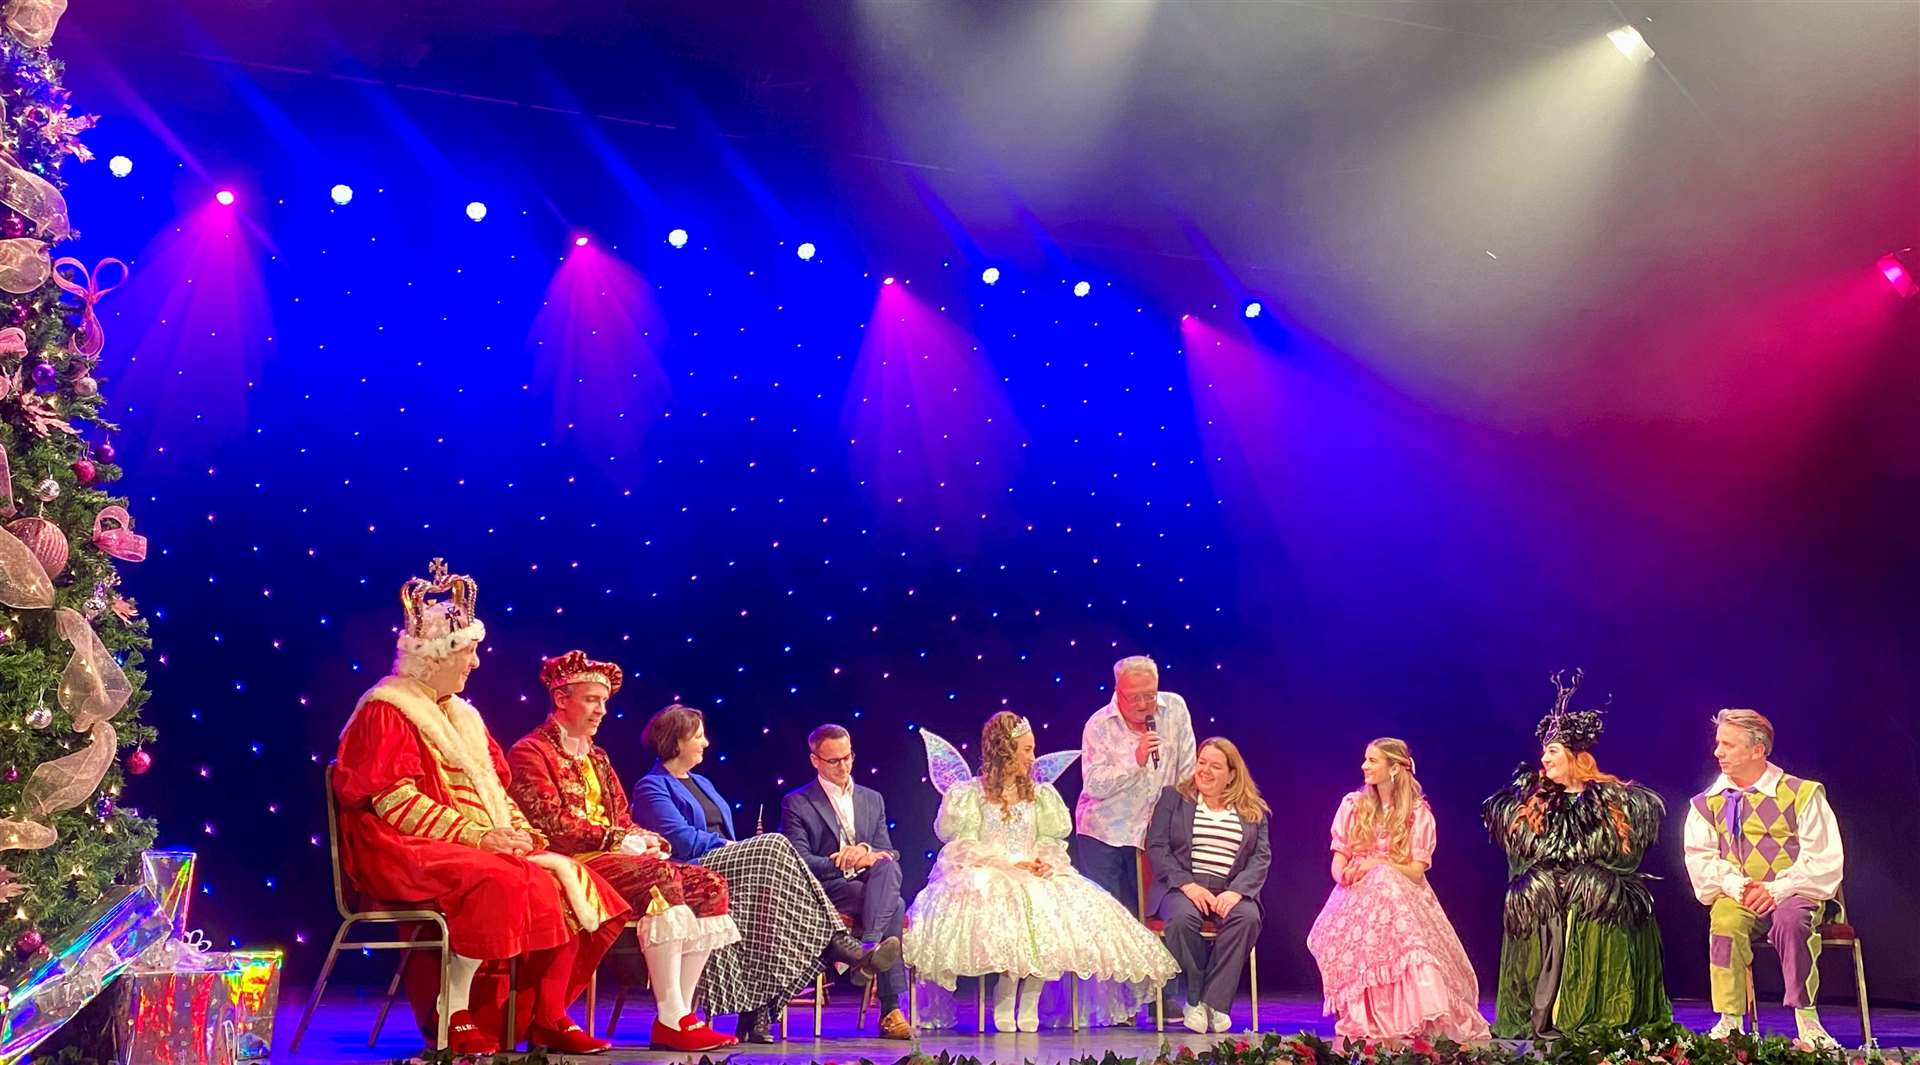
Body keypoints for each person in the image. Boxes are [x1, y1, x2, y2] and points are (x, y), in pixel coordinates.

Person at [331, 560, 627, 1055]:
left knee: (568, 878)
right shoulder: (387, 708)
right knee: (500, 877)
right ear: (435, 657)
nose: (476, 663)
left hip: (463, 840)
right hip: (401, 845)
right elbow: (393, 799)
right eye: (468, 652)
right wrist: (479, 837)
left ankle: (545, 1015)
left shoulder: (464, 714)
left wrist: (521, 833)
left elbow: (497, 792)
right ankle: (455, 1008)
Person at [506, 651, 742, 1052]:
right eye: (591, 700)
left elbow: (622, 817)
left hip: (608, 858)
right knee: (663, 879)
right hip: (566, 862)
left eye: (604, 702)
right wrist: (616, 840)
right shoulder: (531, 752)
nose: (601, 710)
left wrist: (648, 839)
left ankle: (683, 1014)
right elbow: (552, 825)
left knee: (708, 883)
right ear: (562, 699)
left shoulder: (597, 757)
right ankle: (670, 1015)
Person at [630, 703, 903, 1043]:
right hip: (692, 869)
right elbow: (681, 840)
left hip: (729, 869)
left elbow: (887, 848)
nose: (706, 743)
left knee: (780, 908)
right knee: (775, 844)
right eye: (698, 736)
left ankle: (839, 962)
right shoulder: (652, 786)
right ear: (675, 742)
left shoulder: (702, 782)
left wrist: (864, 854)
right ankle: (843, 947)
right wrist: (732, 847)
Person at [904, 712, 1178, 1032]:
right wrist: (1005, 863)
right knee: (1009, 908)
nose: (1033, 757)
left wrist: (1045, 859)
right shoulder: (971, 795)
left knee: (1055, 911)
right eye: (1026, 749)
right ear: (1005, 751)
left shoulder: (1041, 794)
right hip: (990, 869)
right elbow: (962, 843)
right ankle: (1006, 991)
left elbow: (1050, 838)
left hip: (1033, 869)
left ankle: (1031, 993)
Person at [1482, 670, 1671, 1038]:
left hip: (1594, 889)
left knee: (1592, 894)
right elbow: (1523, 854)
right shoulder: (1531, 804)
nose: (1544, 758)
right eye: (1543, 751)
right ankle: (1543, 1011)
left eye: (1552, 751)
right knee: (1541, 898)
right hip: (1549, 891)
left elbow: (1622, 856)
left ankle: (1587, 1009)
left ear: (1576, 757)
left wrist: (1586, 875)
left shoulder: (1617, 801)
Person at [1305, 739, 1489, 1044]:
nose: (1364, 766)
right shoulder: (1353, 806)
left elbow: (1416, 872)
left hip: (1401, 892)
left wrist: (1378, 864)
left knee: (1385, 878)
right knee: (1379, 879)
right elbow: (1337, 862)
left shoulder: (1418, 813)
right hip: (1357, 894)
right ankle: (1369, 1013)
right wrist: (1347, 874)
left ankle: (1412, 1012)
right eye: (1365, 759)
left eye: (1372, 760)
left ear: (1394, 768)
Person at [1682, 709, 1844, 1048]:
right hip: (1741, 895)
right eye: (1718, 744)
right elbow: (1701, 858)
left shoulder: (1801, 794)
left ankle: (1807, 1018)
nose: (1718, 752)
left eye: (1728, 745)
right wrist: (1738, 886)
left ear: (1757, 750)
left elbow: (1824, 858)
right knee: (1724, 922)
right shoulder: (1707, 803)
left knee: (1790, 921)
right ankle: (1729, 1020)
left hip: (1794, 891)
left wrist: (1776, 888)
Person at [779, 723, 912, 1039]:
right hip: (829, 887)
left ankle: (867, 947)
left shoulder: (871, 798)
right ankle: (891, 1009)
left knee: (889, 868)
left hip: (870, 881)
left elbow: (888, 850)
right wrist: (841, 859)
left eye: (848, 757)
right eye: (834, 761)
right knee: (896, 904)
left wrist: (866, 852)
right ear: (815, 761)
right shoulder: (797, 802)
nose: (844, 766)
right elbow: (798, 861)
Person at [1145, 738, 1274, 1035]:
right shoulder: (1174, 798)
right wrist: (1188, 886)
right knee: (1181, 919)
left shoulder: (1253, 810)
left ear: (1231, 773)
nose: (1204, 770)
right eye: (1202, 762)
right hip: (1182, 887)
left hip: (1230, 888)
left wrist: (1236, 891)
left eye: (1215, 766)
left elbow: (1260, 857)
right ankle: (1195, 997)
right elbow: (1158, 848)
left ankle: (1212, 1003)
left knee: (1248, 918)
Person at [1076, 655, 1198, 910]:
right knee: (1110, 915)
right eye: (1135, 697)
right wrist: (1135, 761)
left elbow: (1186, 772)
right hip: (1105, 833)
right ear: (1118, 692)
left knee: (1143, 915)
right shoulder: (1099, 725)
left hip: (1154, 836)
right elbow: (1094, 785)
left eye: (1150, 695)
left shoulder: (1175, 708)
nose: (1144, 705)